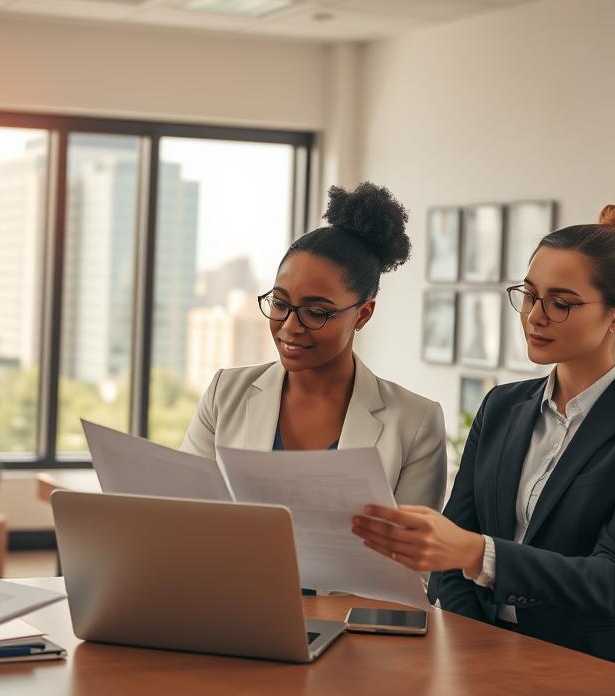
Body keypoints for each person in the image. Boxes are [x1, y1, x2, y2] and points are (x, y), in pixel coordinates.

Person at [352, 196, 615, 677]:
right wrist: (478, 647)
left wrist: (476, 552)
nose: (534, 316)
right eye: (529, 294)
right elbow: (448, 562)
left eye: (561, 303)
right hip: (482, 659)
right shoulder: (502, 406)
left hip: (600, 671)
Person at [181, 183, 446, 510]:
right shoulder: (225, 394)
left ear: (363, 314)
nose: (290, 326)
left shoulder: (414, 422)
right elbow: (186, 512)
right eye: (280, 303)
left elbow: (414, 556)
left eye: (316, 312)